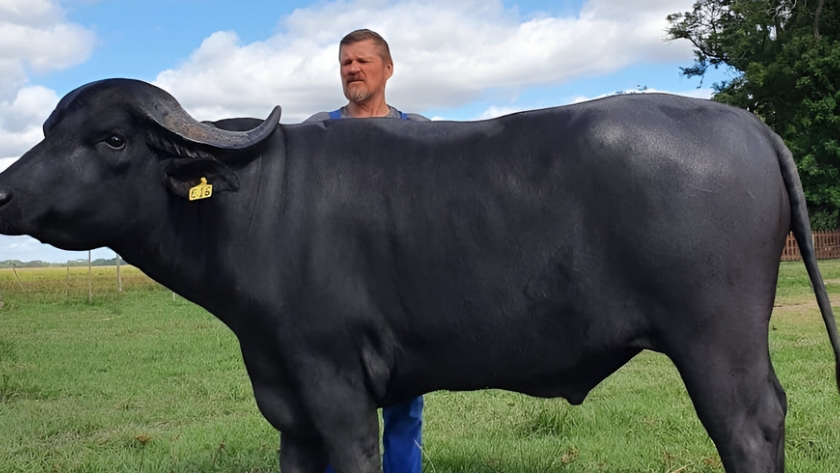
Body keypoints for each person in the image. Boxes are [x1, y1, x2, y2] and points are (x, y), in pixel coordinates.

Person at [304, 29, 427, 473]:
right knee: (338, 399)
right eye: (345, 63)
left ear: (388, 69)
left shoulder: (420, 133)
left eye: (362, 61)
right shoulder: (318, 131)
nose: (352, 69)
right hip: (334, 292)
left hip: (404, 292)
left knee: (405, 403)